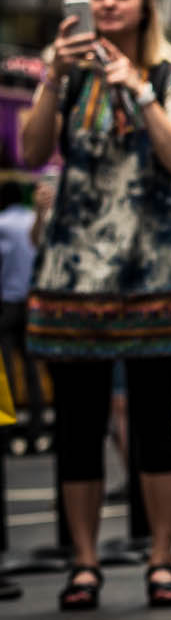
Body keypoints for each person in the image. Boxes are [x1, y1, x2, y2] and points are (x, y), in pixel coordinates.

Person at [19, 0, 171, 611]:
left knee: (155, 417)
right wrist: (50, 77)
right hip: (76, 271)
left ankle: (162, 558)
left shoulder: (170, 71)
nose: (105, 3)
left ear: (143, 3)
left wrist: (137, 89)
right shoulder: (66, 72)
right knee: (78, 421)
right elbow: (32, 149)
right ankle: (84, 562)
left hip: (151, 267)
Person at [0, 178, 35, 433]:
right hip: (32, 301)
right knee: (32, 364)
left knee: (6, 366)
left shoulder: (3, 224)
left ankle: (7, 424)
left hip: (8, 302)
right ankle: (37, 421)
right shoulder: (33, 219)